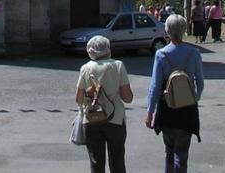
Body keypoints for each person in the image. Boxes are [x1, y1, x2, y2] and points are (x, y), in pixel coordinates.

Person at [146, 13, 204, 173]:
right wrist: (193, 98)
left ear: (167, 31)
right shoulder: (194, 53)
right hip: (187, 109)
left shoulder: (161, 54)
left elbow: (155, 85)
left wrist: (150, 111)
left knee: (169, 151)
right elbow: (200, 82)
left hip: (167, 107)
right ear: (184, 30)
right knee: (182, 153)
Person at [75, 35, 134, 173]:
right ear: (108, 50)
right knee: (117, 160)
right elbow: (128, 98)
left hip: (92, 118)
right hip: (115, 119)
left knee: (96, 163)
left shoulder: (85, 68)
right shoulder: (118, 65)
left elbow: (78, 99)